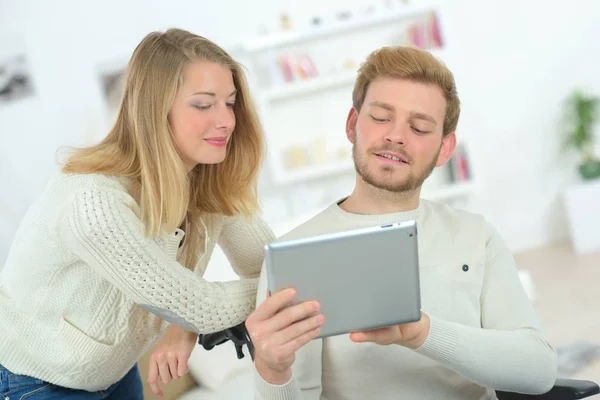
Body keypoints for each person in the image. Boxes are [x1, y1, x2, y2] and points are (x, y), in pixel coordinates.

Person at [245, 45, 558, 399]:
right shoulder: (294, 257)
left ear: (444, 148)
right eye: (380, 117)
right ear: (352, 125)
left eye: (420, 127)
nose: (395, 135)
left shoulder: (475, 235)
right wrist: (271, 370)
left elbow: (539, 370)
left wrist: (421, 333)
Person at [0, 28, 275, 399]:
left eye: (230, 102)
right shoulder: (92, 200)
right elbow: (201, 304)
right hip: (34, 382)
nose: (227, 120)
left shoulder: (206, 181)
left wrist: (185, 327)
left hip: (112, 373)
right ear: (154, 111)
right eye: (204, 104)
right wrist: (277, 290)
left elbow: (268, 263)